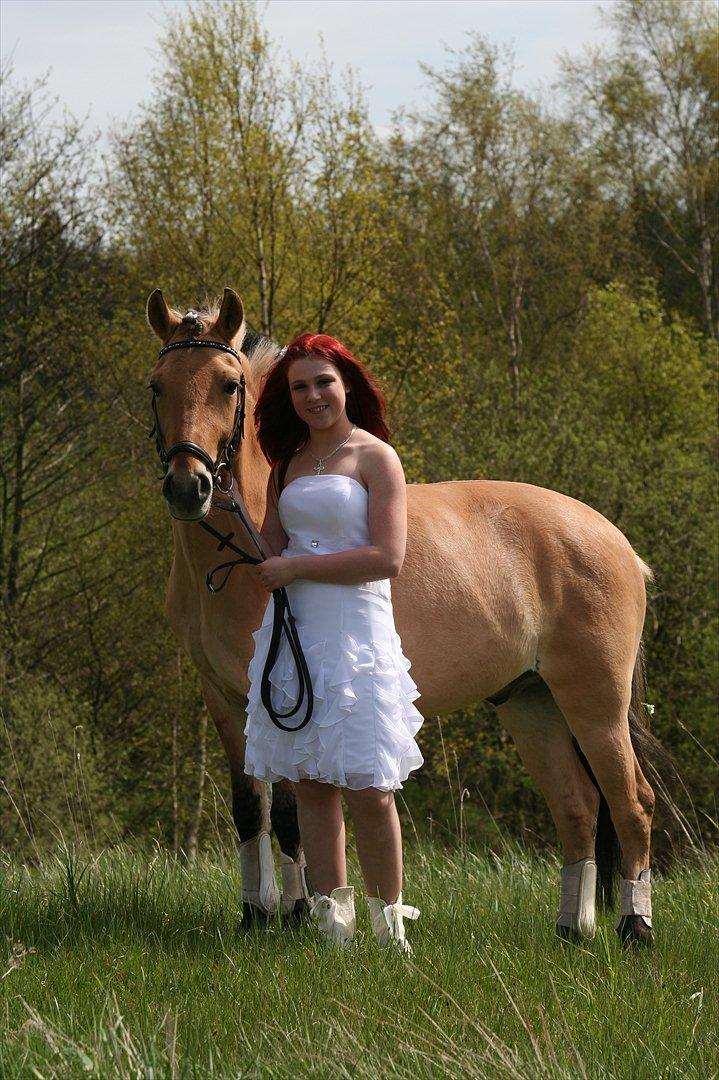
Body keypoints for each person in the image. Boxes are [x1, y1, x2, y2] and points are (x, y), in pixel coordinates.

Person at [244, 333, 424, 953]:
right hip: (298, 634)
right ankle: (334, 934)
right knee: (313, 787)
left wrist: (295, 568)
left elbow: (387, 557)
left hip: (356, 634)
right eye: (299, 387)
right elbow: (271, 549)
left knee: (371, 790)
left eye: (323, 382)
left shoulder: (376, 457)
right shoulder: (288, 465)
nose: (313, 395)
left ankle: (390, 933)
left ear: (346, 384)